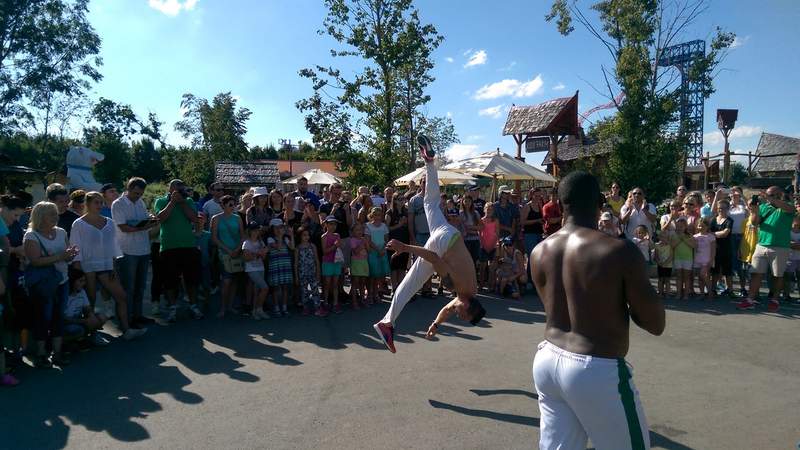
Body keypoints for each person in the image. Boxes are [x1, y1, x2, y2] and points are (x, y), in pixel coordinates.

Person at [530, 171, 664, 450]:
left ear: (560, 202)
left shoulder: (539, 251)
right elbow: (655, 323)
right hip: (596, 367)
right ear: (601, 202)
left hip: (547, 360)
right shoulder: (618, 251)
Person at [374, 137, 485, 354]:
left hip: (449, 234)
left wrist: (436, 323)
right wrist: (405, 247)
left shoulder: (469, 293)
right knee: (412, 281)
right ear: (469, 308)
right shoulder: (458, 286)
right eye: (462, 315)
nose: (458, 315)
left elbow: (448, 308)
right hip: (442, 243)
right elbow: (434, 258)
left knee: (430, 202)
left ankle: (429, 162)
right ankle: (387, 323)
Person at [70, 191, 147, 340]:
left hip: (106, 266)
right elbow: (75, 248)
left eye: (101, 202)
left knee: (121, 297)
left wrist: (113, 266)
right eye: (96, 202)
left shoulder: (109, 222)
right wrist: (78, 270)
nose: (99, 205)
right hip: (88, 267)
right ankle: (92, 335)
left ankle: (126, 330)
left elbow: (113, 246)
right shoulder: (78, 224)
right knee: (90, 303)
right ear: (87, 204)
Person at [24, 202, 80, 368]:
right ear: (40, 217)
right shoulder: (31, 236)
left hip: (62, 280)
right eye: (51, 215)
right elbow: (35, 261)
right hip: (42, 283)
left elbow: (66, 255)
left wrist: (70, 255)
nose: (56, 218)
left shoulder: (61, 232)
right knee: (43, 317)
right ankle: (41, 354)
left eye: (56, 214)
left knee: (58, 317)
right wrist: (61, 256)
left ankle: (57, 353)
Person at [153, 179, 205, 323]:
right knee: (170, 280)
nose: (180, 190)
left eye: (182, 187)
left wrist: (181, 202)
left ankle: (193, 305)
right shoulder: (160, 201)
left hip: (189, 245)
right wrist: (172, 202)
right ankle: (173, 307)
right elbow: (160, 218)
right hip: (169, 246)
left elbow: (195, 219)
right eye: (177, 188)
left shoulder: (188, 201)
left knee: (192, 279)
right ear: (170, 189)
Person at [738, 187, 795, 312]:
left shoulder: (788, 205)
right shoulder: (764, 207)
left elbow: (789, 209)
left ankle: (775, 299)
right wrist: (754, 211)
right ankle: (750, 299)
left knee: (777, 275)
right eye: (768, 194)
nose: (769, 197)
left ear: (779, 195)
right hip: (761, 245)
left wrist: (770, 199)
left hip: (780, 246)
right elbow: (754, 223)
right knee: (755, 273)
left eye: (773, 195)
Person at [112, 177, 158, 328]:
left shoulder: (140, 202)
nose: (137, 196)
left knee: (140, 287)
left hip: (143, 249)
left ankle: (138, 315)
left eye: (140, 194)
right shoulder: (118, 204)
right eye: (135, 193)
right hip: (127, 251)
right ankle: (126, 319)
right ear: (128, 188)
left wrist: (151, 220)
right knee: (128, 287)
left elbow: (143, 221)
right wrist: (143, 227)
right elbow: (123, 227)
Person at [211, 195, 245, 318]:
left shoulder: (237, 218)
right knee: (226, 281)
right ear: (223, 205)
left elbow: (243, 236)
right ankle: (223, 307)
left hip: (237, 253)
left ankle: (230, 306)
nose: (233, 206)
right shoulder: (216, 219)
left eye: (234, 204)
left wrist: (237, 249)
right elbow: (214, 238)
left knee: (235, 280)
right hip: (224, 254)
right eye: (230, 204)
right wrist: (227, 250)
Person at [63, 267, 108, 341]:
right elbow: (64, 319)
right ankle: (66, 342)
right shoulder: (65, 296)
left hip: (79, 320)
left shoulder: (82, 292)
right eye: (80, 281)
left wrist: (91, 315)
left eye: (84, 281)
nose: (83, 283)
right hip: (67, 324)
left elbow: (87, 307)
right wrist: (84, 321)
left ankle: (89, 337)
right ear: (72, 281)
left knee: (101, 318)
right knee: (77, 330)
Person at [267, 218, 294, 317]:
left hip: (285, 265)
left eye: (281, 227)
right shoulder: (270, 239)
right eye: (276, 227)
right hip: (275, 265)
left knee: (285, 287)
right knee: (276, 288)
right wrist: (280, 235)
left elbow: (292, 247)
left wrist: (291, 235)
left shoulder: (285, 238)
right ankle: (276, 308)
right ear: (272, 229)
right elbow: (278, 247)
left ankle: (284, 307)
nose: (279, 229)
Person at [241, 222, 269, 320]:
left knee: (257, 290)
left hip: (260, 267)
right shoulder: (246, 243)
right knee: (265, 288)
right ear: (249, 231)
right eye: (254, 230)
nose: (256, 232)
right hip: (251, 269)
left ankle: (256, 311)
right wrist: (258, 253)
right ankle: (258, 309)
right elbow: (246, 258)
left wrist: (261, 253)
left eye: (257, 230)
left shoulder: (261, 242)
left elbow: (264, 257)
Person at [294, 227, 323, 316]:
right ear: (300, 236)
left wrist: (318, 272)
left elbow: (316, 260)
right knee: (304, 291)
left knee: (315, 290)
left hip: (312, 272)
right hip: (302, 273)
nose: (307, 237)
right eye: (304, 235)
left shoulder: (312, 246)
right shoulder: (298, 248)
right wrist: (296, 277)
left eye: (308, 235)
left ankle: (317, 307)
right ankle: (305, 307)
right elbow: (296, 263)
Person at [385, 193, 410, 295]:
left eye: (403, 199)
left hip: (404, 241)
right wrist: (399, 225)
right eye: (399, 199)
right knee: (394, 267)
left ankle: (400, 289)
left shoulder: (406, 212)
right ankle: (394, 288)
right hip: (393, 242)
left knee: (402, 267)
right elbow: (386, 228)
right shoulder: (389, 213)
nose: (402, 201)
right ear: (394, 201)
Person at [728, 187, 749, 296]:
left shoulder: (742, 206)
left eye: (736, 194)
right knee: (730, 262)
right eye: (732, 194)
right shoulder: (727, 206)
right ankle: (729, 288)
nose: (734, 195)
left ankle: (742, 288)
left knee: (742, 263)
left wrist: (741, 194)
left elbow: (750, 208)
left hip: (742, 236)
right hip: (730, 236)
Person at [366, 207, 390, 305]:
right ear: (371, 215)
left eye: (379, 215)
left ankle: (376, 294)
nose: (377, 217)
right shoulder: (367, 226)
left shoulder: (384, 226)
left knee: (378, 276)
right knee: (372, 276)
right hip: (373, 252)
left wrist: (383, 249)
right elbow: (368, 240)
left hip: (382, 253)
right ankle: (370, 295)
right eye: (375, 215)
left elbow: (386, 239)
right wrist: (377, 250)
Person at [710, 200, 734, 297]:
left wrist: (713, 234)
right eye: (719, 208)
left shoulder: (729, 220)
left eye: (723, 208)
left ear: (728, 209)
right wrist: (716, 234)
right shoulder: (713, 220)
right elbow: (711, 232)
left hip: (726, 248)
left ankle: (730, 290)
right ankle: (713, 289)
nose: (721, 210)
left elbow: (725, 234)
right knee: (715, 271)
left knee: (727, 271)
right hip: (714, 248)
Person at [320, 216, 343, 313]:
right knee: (327, 283)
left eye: (334, 224)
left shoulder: (337, 235)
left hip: (336, 262)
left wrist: (338, 245)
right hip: (327, 262)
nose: (333, 226)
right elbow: (325, 251)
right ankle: (325, 302)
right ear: (326, 225)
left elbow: (339, 247)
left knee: (335, 284)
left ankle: (335, 303)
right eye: (330, 224)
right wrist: (334, 246)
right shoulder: (324, 236)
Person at [672, 217, 695, 300]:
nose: (680, 227)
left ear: (686, 226)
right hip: (677, 258)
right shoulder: (674, 235)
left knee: (687, 277)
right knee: (678, 276)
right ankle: (678, 293)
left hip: (688, 259)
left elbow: (693, 246)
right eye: (678, 225)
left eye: (682, 225)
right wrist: (679, 238)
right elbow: (673, 246)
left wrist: (684, 238)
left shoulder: (690, 235)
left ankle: (686, 294)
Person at [693, 219, 716, 299]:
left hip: (706, 260)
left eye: (703, 226)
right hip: (697, 259)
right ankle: (702, 293)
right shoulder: (695, 237)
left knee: (705, 276)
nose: (701, 227)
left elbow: (713, 250)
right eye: (699, 226)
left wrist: (711, 260)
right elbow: (694, 248)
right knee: (700, 277)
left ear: (707, 227)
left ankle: (710, 293)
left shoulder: (711, 237)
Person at [478, 203, 499, 291]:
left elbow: (497, 233)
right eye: (487, 208)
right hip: (483, 246)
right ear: (484, 209)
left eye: (491, 209)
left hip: (493, 246)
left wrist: (496, 244)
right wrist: (482, 244)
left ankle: (491, 286)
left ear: (493, 211)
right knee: (482, 268)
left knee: (492, 268)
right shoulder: (481, 220)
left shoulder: (496, 220)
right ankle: (481, 286)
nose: (489, 210)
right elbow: (479, 233)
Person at [349, 222, 369, 308]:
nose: (359, 232)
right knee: (355, 283)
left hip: (364, 262)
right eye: (357, 230)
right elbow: (355, 252)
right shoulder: (352, 240)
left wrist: (366, 243)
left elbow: (368, 250)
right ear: (353, 232)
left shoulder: (363, 239)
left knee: (363, 282)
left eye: (361, 229)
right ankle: (354, 302)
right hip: (356, 263)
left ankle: (362, 300)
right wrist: (361, 244)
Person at [521, 188, 545, 257]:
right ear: (531, 195)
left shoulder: (539, 205)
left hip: (539, 234)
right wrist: (536, 221)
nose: (538, 197)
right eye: (536, 196)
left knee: (539, 257)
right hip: (530, 235)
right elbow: (522, 222)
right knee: (532, 257)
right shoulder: (527, 206)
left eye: (539, 196)